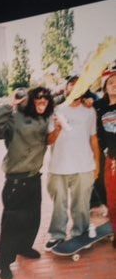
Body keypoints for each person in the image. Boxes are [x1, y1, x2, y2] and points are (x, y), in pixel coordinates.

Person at [0, 86, 59, 279]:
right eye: (37, 99)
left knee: (32, 218)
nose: (40, 102)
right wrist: (10, 105)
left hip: (34, 178)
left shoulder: (43, 119)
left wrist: (58, 126)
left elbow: (49, 139)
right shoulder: (13, 118)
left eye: (44, 99)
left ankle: (24, 247)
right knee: (12, 225)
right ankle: (4, 263)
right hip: (15, 182)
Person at [46, 76, 100, 250]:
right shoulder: (55, 110)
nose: (75, 87)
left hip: (84, 165)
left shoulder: (90, 111)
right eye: (71, 84)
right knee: (58, 204)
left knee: (81, 204)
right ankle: (57, 235)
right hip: (59, 167)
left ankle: (80, 233)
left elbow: (93, 139)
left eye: (79, 84)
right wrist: (57, 129)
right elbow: (48, 140)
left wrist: (97, 164)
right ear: (66, 88)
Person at [95, 70, 116, 245]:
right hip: (111, 159)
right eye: (110, 82)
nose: (114, 85)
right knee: (112, 199)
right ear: (104, 87)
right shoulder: (100, 107)